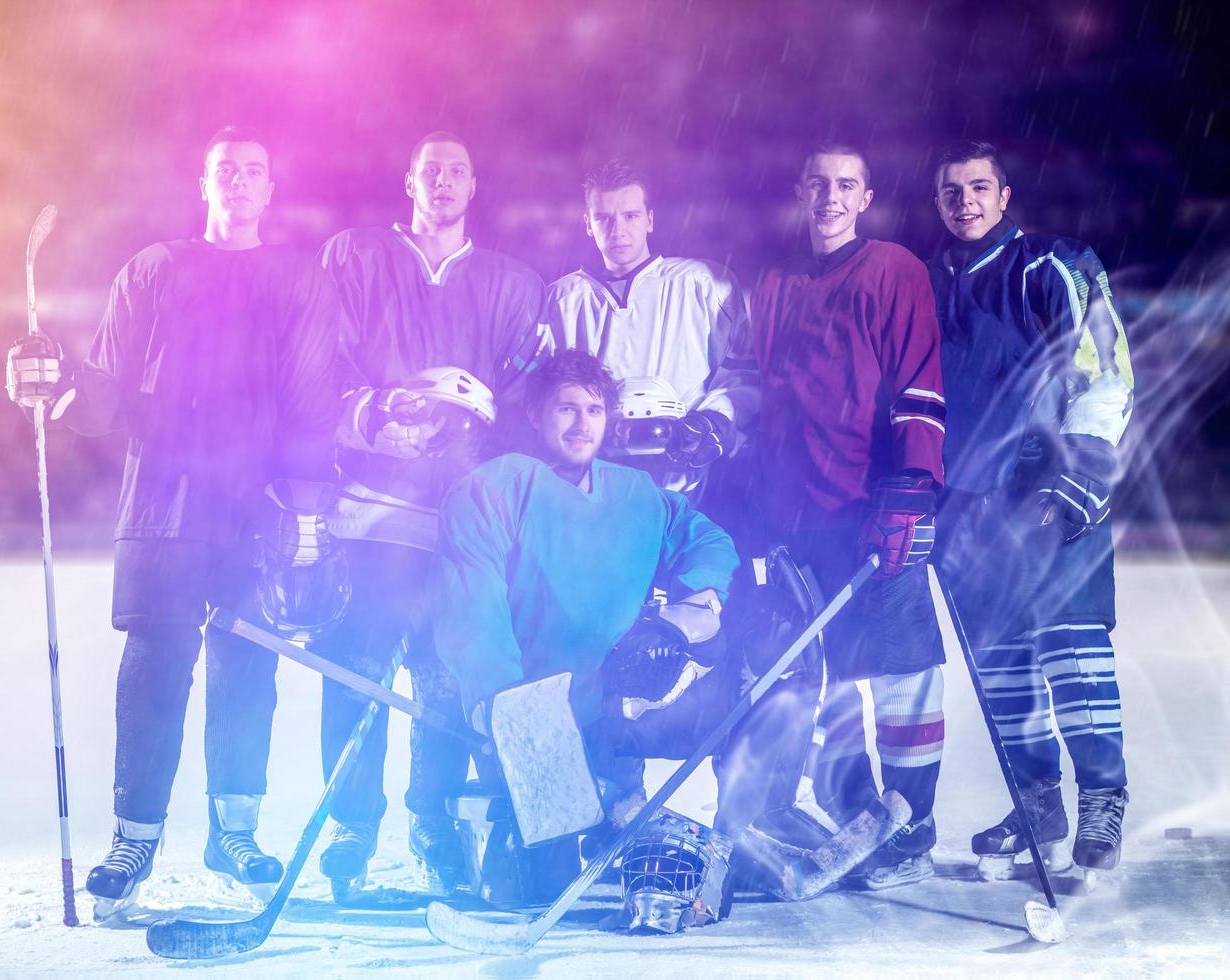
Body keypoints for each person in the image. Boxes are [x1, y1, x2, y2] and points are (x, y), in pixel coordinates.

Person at [4, 126, 344, 916]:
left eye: (254, 170)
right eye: (226, 170)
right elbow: (104, 394)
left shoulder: (298, 277)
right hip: (164, 504)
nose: (239, 182)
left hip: (257, 510)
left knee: (246, 673)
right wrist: (53, 379)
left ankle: (234, 830)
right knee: (153, 674)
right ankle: (136, 834)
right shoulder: (154, 269)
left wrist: (306, 509)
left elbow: (311, 399)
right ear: (204, 184)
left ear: (270, 187)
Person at [433, 350, 895, 921]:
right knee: (538, 884)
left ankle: (733, 838)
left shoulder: (635, 493)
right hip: (535, 711)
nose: (582, 425)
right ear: (534, 414)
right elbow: (470, 607)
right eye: (566, 409)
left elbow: (711, 545)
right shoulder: (492, 488)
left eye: (595, 410)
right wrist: (503, 704)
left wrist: (685, 612)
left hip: (623, 699)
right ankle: (555, 844)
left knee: (760, 655)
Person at [311, 131, 548, 898]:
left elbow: (524, 400)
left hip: (460, 519)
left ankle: (432, 820)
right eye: (429, 169)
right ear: (406, 180)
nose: (442, 181)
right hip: (374, 514)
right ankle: (351, 820)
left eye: (456, 169)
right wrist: (375, 412)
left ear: (473, 186)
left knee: (443, 682)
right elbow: (321, 367)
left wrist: (483, 445)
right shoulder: (353, 256)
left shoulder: (513, 283)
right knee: (355, 669)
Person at [928, 139, 1133, 878]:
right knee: (1002, 665)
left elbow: (1102, 369)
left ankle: (1102, 796)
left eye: (978, 187)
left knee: (1072, 649)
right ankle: (1037, 798)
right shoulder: (926, 280)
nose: (965, 202)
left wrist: (1080, 470)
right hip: (972, 508)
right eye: (950, 190)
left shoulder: (1052, 263)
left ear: (1003, 196)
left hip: (1050, 489)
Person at [748, 142, 948, 889]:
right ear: (801, 189)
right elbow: (767, 395)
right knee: (820, 679)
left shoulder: (893, 268)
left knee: (902, 670)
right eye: (819, 183)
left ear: (864, 197)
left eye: (846, 185)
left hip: (873, 507)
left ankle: (914, 827)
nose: (830, 196)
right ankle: (864, 814)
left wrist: (910, 486)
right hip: (797, 516)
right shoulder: (772, 278)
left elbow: (917, 380)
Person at [543, 160, 757, 503]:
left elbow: (743, 374)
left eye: (630, 215)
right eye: (604, 218)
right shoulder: (561, 300)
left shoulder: (702, 283)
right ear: (587, 223)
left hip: (687, 485)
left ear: (650, 219)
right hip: (596, 485)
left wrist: (713, 421)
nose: (618, 231)